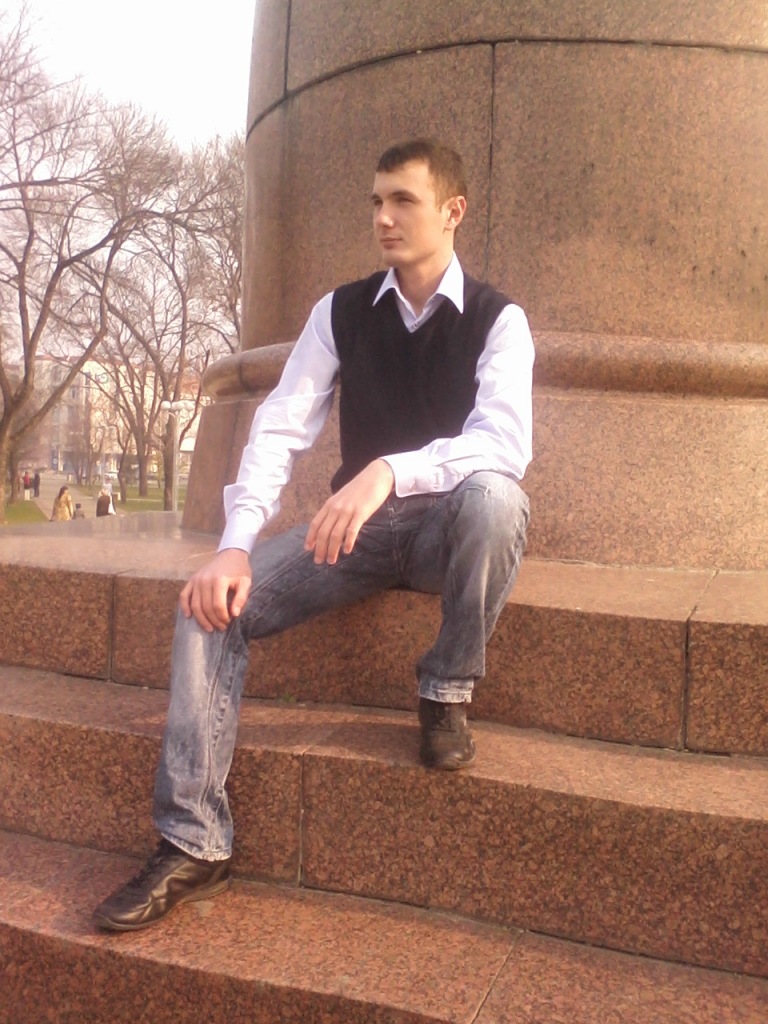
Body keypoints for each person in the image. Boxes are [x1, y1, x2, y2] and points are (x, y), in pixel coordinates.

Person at [93, 138, 534, 932]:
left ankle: (445, 688)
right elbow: (279, 427)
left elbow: (503, 443)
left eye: (403, 200)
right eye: (376, 201)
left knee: (498, 501)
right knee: (207, 609)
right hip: (353, 538)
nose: (383, 217)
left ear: (453, 211)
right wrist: (234, 544)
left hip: (447, 532)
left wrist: (389, 470)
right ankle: (194, 842)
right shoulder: (340, 312)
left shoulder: (500, 320)